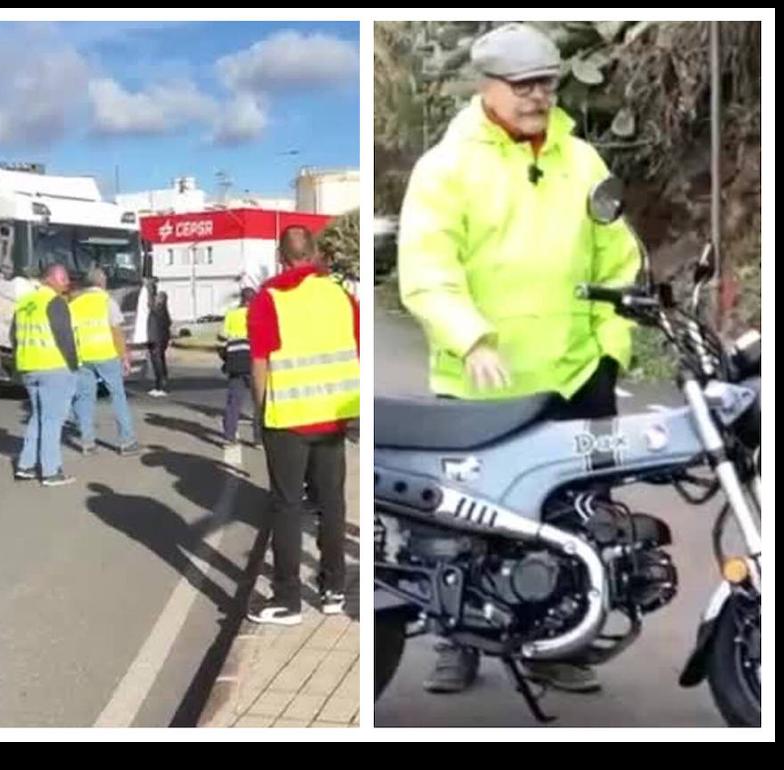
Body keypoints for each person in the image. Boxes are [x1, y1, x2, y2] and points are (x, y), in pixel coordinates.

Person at [398, 22, 639, 695]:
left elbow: (616, 263)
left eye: (548, 83)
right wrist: (470, 336)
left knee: (578, 520)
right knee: (467, 525)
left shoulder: (582, 163)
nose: (539, 96)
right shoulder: (447, 168)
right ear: (488, 85)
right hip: (483, 390)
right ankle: (457, 642)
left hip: (576, 379)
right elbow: (428, 270)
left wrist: (611, 352)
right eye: (525, 84)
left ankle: (559, 643)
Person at [246, 226, 359, 627]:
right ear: (313, 254)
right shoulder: (342, 297)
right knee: (332, 504)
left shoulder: (269, 299)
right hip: (333, 418)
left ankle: (288, 599)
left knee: (287, 506)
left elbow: (259, 363)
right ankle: (334, 590)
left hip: (288, 420)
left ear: (281, 256)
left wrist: (261, 413)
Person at [11, 264, 80, 486]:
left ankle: (26, 465)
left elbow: (14, 335)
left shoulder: (24, 302)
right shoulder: (55, 302)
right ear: (50, 279)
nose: (66, 283)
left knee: (38, 417)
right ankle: (51, 471)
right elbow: (65, 337)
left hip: (29, 366)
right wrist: (73, 365)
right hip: (54, 367)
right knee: (52, 420)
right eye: (63, 279)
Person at [68, 267, 140, 456]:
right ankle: (127, 441)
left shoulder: (74, 303)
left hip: (83, 357)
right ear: (102, 283)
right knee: (118, 396)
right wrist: (124, 355)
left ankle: (87, 442)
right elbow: (116, 331)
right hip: (106, 354)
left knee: (84, 398)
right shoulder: (106, 301)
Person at [219, 287, 263, 448]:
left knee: (234, 402)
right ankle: (258, 439)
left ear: (242, 299)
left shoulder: (231, 314)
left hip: (236, 362)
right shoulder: (258, 314)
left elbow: (222, 337)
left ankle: (229, 438)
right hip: (254, 362)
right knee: (258, 402)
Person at [146, 289, 172, 397]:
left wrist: (148, 290)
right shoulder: (163, 310)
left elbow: (150, 304)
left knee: (157, 362)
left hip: (156, 339)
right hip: (160, 339)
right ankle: (161, 383)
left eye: (158, 297)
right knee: (159, 360)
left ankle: (160, 386)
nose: (156, 298)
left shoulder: (159, 309)